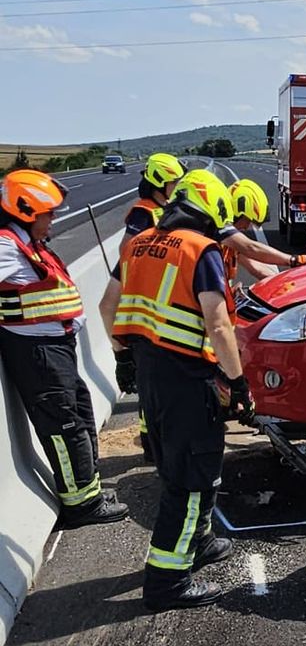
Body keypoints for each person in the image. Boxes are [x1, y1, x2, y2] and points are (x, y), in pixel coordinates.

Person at [100, 169, 255, 612]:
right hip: (188, 380)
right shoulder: (200, 250)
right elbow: (218, 323)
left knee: (179, 466)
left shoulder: (137, 243)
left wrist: (123, 356)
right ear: (211, 211)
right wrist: (239, 383)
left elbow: (107, 306)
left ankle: (199, 541)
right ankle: (167, 583)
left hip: (151, 375)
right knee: (190, 479)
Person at [0, 169, 129, 528]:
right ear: (26, 211)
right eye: (48, 214)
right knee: (63, 425)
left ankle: (89, 491)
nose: (54, 219)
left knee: (80, 415)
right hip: (37, 352)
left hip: (56, 347)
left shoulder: (26, 243)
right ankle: (81, 506)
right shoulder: (6, 246)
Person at [118, 152, 187, 460]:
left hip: (161, 304)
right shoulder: (143, 213)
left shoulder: (166, 210)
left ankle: (155, 441)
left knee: (159, 382)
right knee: (151, 383)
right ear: (159, 182)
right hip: (145, 306)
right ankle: (151, 443)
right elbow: (127, 251)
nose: (177, 187)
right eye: (173, 183)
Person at [223, 179, 277, 285]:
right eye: (247, 220)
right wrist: (292, 259)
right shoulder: (214, 239)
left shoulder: (228, 242)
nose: (247, 227)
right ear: (236, 213)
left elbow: (256, 267)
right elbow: (251, 248)